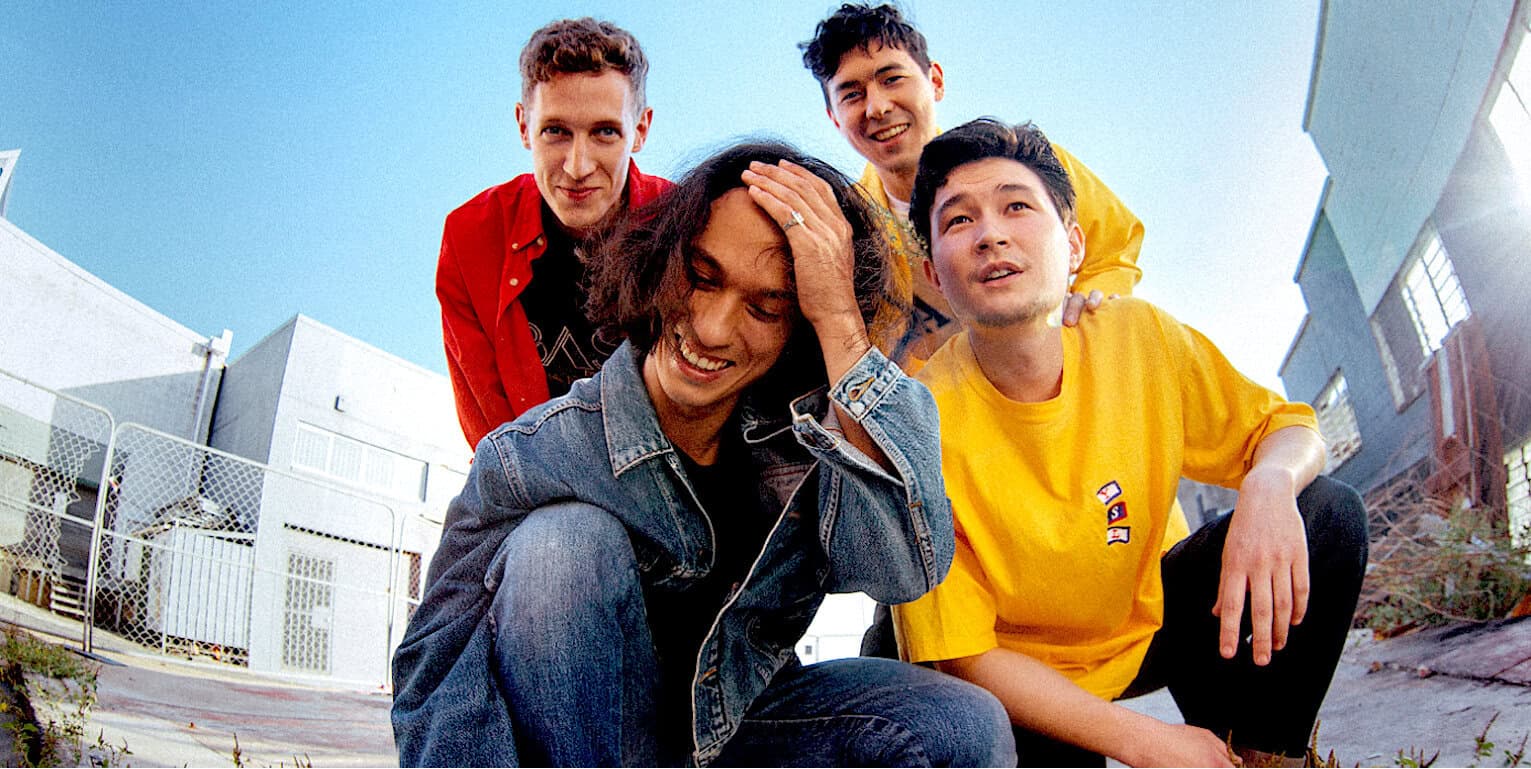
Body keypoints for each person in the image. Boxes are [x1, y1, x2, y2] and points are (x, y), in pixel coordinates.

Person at [392, 140, 1015, 767]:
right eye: (701, 276)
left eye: (767, 307)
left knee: (961, 726)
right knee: (563, 546)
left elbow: (902, 570)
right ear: (664, 262)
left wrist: (839, 320)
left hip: (742, 720)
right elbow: (436, 664)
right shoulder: (531, 454)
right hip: (600, 745)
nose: (714, 329)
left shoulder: (809, 441)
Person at [890, 119, 1369, 767]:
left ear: (1074, 242)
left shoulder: (1135, 335)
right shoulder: (918, 420)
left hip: (1150, 629)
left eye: (1016, 206)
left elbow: (1285, 428)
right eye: (957, 221)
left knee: (1325, 512)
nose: (991, 233)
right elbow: (963, 649)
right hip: (1022, 679)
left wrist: (1268, 481)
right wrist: (1142, 740)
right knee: (957, 725)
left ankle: (1262, 754)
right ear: (932, 273)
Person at [799, 3, 1144, 364]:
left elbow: (1114, 247)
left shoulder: (1027, 167)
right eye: (852, 95)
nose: (877, 108)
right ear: (834, 118)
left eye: (892, 79)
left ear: (935, 81)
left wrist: (1090, 308)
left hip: (1063, 382)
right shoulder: (847, 229)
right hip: (949, 412)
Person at [437, 18, 672, 449]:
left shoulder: (682, 224)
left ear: (640, 129)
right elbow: (494, 436)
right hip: (535, 478)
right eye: (556, 132)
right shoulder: (471, 237)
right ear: (524, 126)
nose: (578, 166)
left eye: (605, 132)